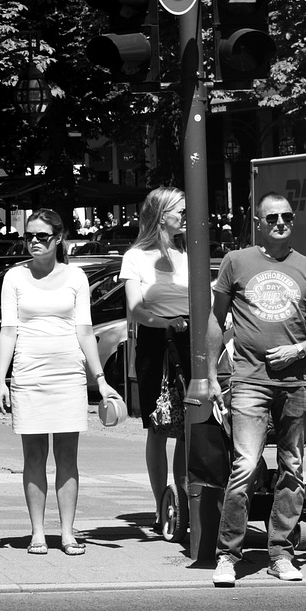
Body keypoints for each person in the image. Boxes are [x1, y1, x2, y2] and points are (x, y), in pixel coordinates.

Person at [206, 193, 306, 587]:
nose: (281, 222)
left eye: (287, 216)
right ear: (258, 222)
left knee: (292, 468)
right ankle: (228, 555)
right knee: (246, 465)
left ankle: (281, 553)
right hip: (248, 380)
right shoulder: (236, 262)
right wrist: (211, 376)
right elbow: (216, 320)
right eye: (272, 217)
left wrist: (298, 349)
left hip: (296, 383)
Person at [0, 209, 121, 555]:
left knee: (67, 457)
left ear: (58, 238)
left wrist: (101, 379)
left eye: (42, 236)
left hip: (68, 373)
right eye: (29, 236)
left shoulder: (75, 276)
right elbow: (8, 330)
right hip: (29, 373)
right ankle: (37, 532)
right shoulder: (14, 277)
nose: (34, 241)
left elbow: (84, 330)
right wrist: (0, 379)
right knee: (33, 456)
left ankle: (66, 533)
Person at [119, 186, 190, 519]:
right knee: (158, 426)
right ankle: (162, 506)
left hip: (190, 341)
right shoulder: (136, 256)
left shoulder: (188, 252)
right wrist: (166, 322)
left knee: (190, 425)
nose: (186, 216)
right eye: (180, 211)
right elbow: (135, 308)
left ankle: (184, 502)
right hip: (155, 344)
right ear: (163, 216)